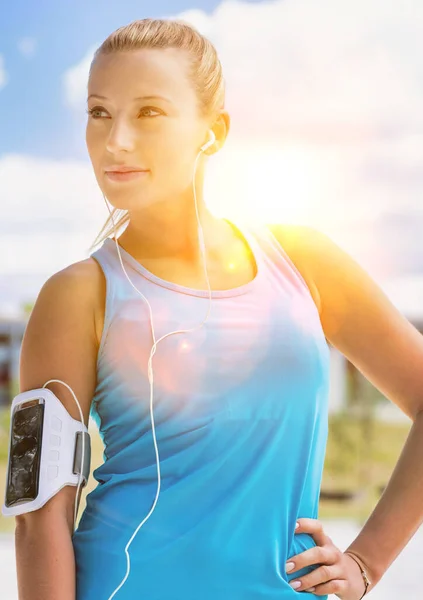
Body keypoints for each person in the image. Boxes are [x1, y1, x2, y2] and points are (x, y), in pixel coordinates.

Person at [15, 16, 423, 600]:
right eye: (99, 113)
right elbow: (37, 512)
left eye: (148, 112)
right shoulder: (77, 294)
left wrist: (367, 562)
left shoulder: (305, 262)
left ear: (214, 130)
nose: (116, 141)